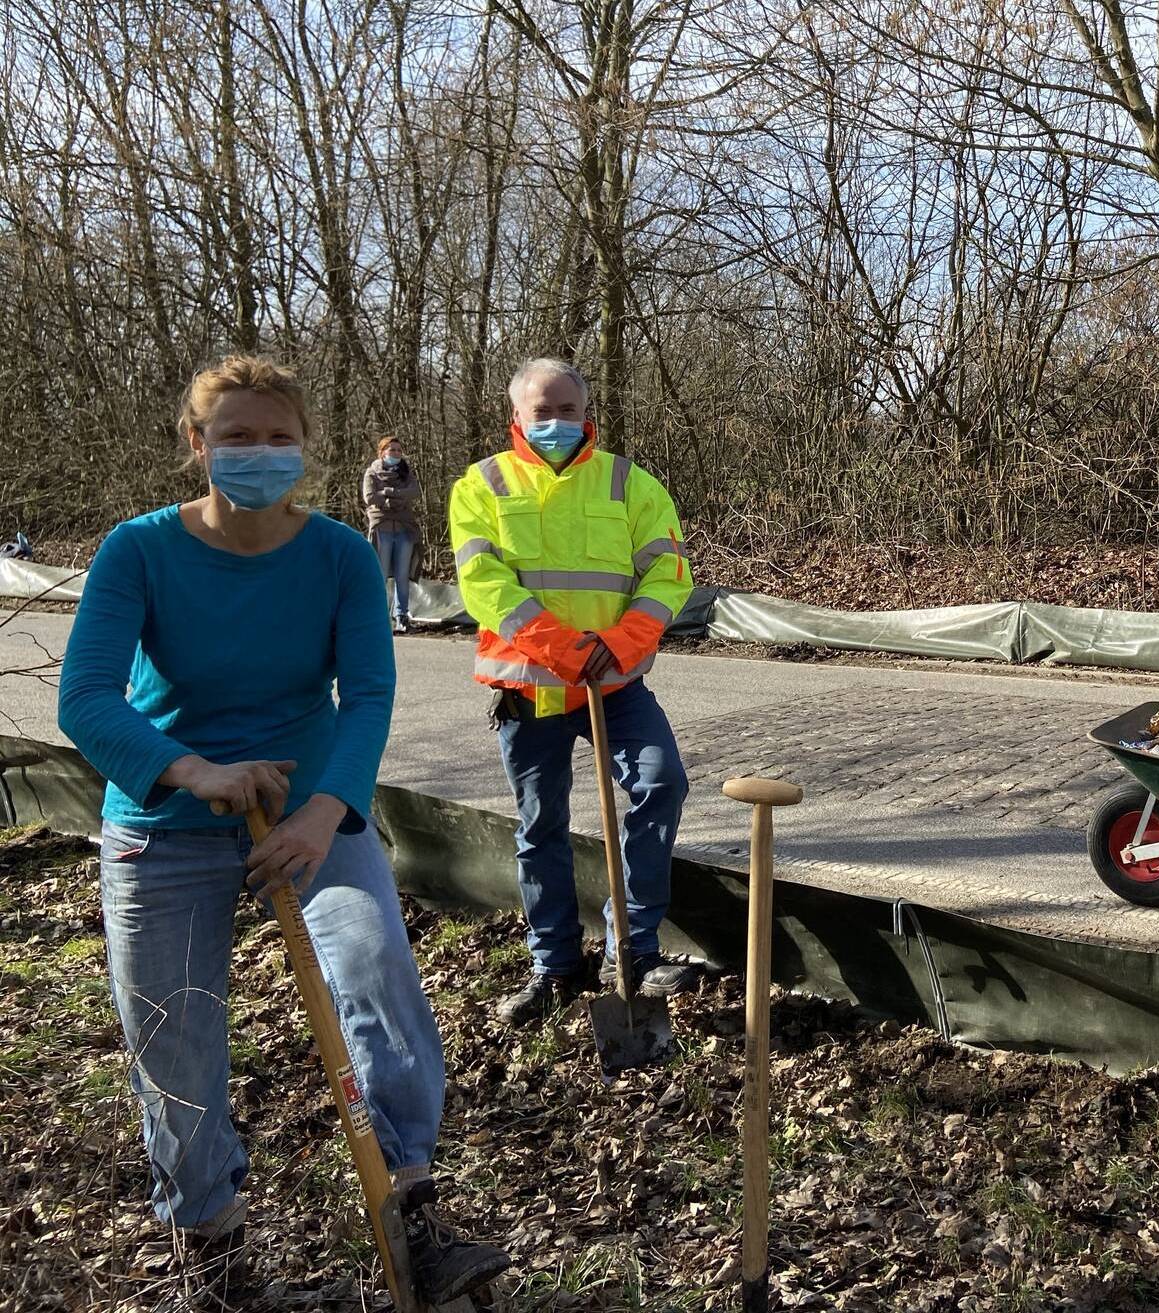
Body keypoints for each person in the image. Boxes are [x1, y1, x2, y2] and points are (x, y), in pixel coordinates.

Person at [55, 356, 509, 1306]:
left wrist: (322, 811)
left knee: (378, 961)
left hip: (314, 812)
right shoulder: (137, 550)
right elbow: (87, 698)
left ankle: (411, 1201)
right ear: (197, 445)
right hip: (166, 821)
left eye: (277, 437)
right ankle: (212, 1243)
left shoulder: (342, 554)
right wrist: (193, 769)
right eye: (236, 436)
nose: (258, 453)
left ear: (304, 446)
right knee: (171, 1031)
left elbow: (369, 693)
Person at [447, 358, 696, 1026]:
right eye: (541, 411)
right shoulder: (481, 485)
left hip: (615, 680)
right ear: (517, 416)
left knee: (661, 782)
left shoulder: (631, 484)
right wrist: (561, 646)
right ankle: (553, 964)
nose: (555, 422)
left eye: (566, 409)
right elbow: (485, 582)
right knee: (541, 825)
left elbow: (668, 570)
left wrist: (624, 641)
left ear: (588, 413)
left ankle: (632, 951)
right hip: (528, 688)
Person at [362, 436, 423, 633]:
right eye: (392, 450)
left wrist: (388, 494)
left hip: (405, 529)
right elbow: (369, 497)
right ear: (382, 453)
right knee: (379, 575)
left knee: (402, 575)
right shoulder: (372, 473)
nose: (396, 453)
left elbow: (414, 492)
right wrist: (394, 496)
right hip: (383, 528)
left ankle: (401, 616)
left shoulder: (406, 472)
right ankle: (378, 617)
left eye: (398, 450)